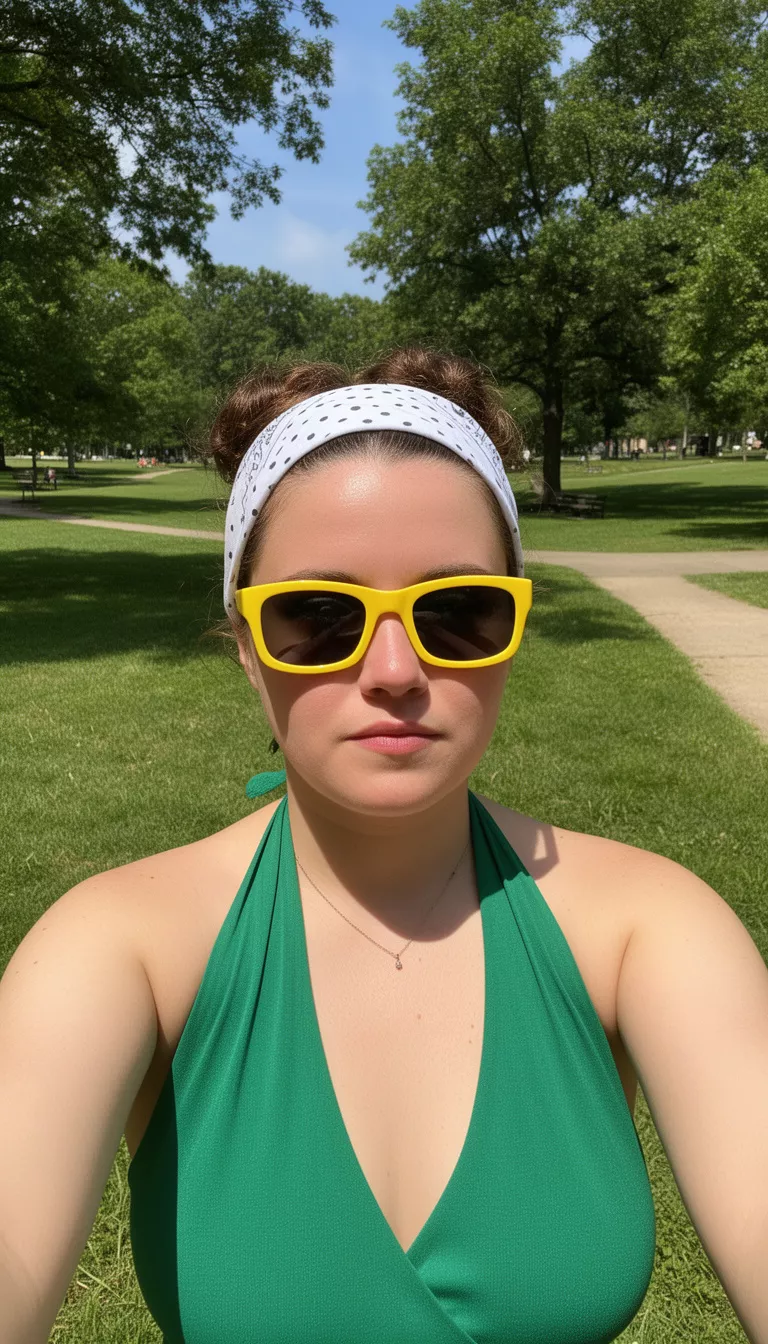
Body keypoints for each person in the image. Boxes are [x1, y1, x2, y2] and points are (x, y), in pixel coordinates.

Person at [1, 348, 767, 1344]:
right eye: (319, 618)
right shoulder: (119, 951)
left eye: (458, 612)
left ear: (514, 624)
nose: (395, 670)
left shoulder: (650, 930)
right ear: (243, 641)